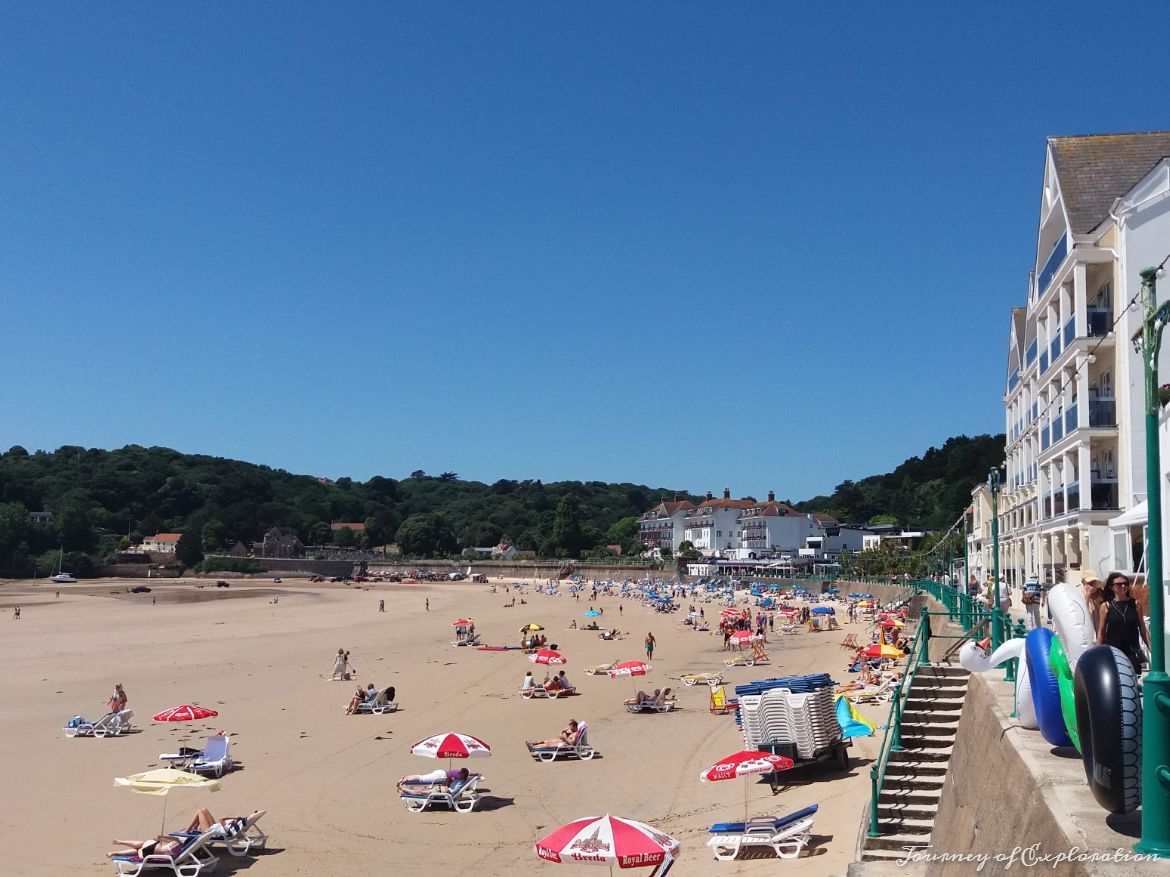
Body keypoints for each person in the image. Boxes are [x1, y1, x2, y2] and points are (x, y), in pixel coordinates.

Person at [1097, 572, 1151, 676]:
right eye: (1119, 584)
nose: (1123, 586)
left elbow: (1142, 628)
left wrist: (1151, 648)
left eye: (1125, 583)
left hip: (1132, 651)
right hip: (1113, 651)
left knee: (1134, 678)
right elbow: (1101, 632)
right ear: (1111, 587)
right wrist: (1098, 653)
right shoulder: (1106, 606)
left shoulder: (1135, 604)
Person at [397, 767, 470, 792]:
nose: (459, 773)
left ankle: (405, 778)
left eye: (460, 773)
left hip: (441, 774)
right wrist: (448, 783)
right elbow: (449, 779)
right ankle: (404, 780)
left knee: (422, 777)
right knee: (421, 779)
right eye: (460, 773)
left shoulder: (460, 776)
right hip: (440, 776)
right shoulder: (459, 776)